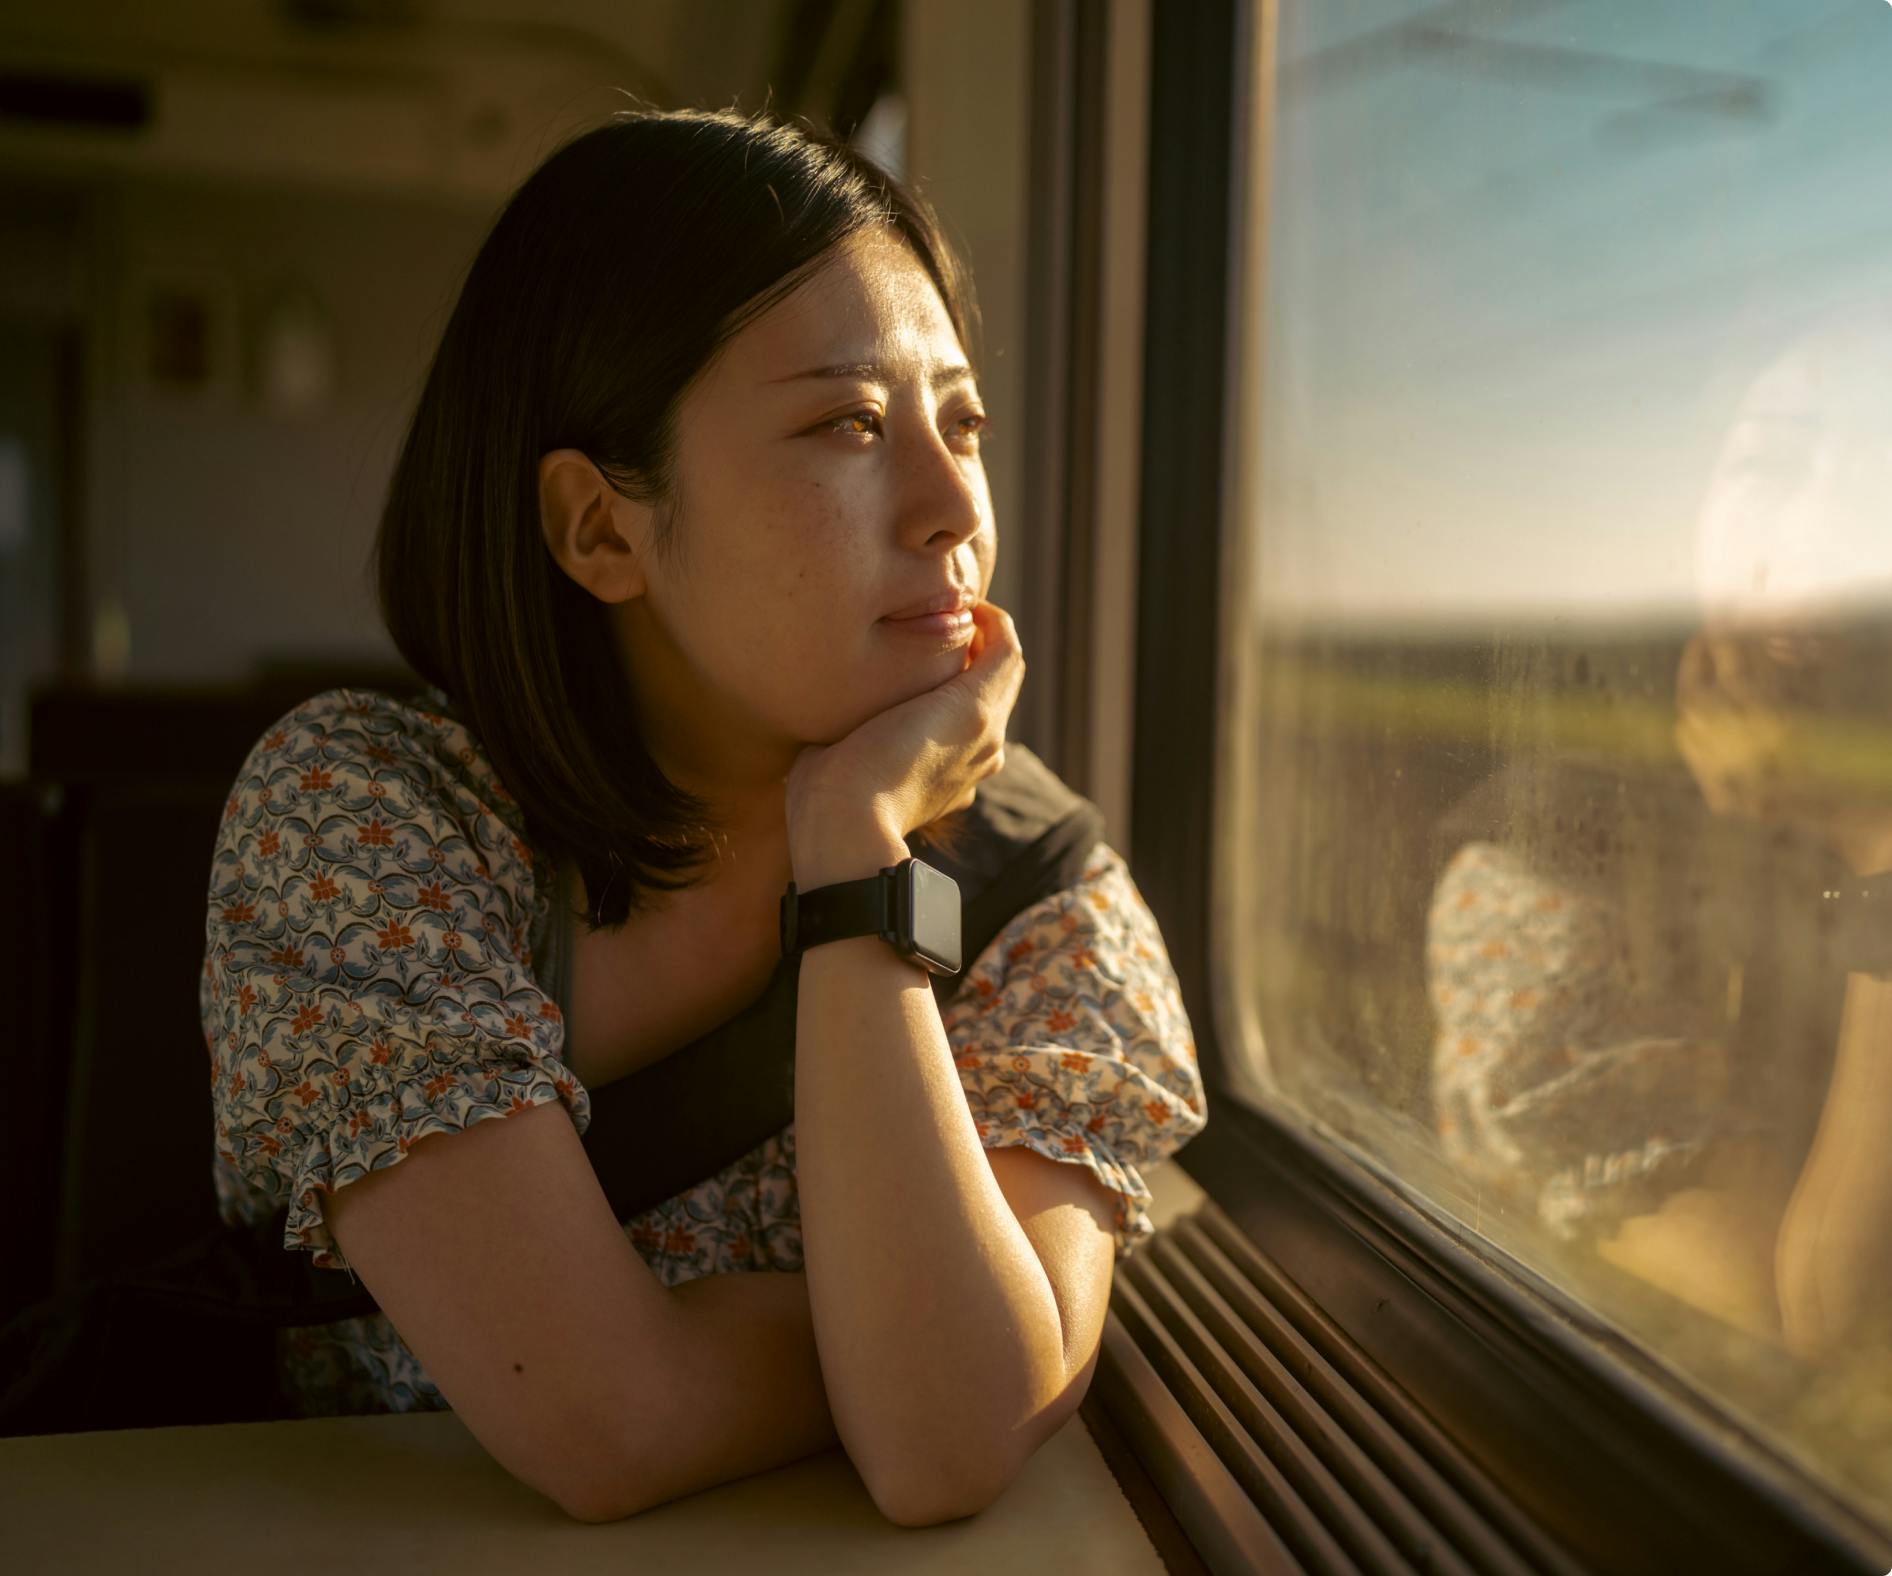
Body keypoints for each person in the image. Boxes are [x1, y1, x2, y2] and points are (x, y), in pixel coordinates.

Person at [197, 108, 1207, 1523]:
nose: (948, 508)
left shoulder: (1040, 892)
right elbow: (612, 1425)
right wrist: (895, 1342)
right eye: (851, 425)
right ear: (602, 530)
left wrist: (856, 841)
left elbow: (946, 1442)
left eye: (961, 421)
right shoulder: (371, 819)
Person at [1424, 303, 1892, 1350]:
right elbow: (1799, 1329)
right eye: (1772, 468)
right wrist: (1875, 847)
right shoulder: (1556, 862)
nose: (1820, 531)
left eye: (1877, 471)